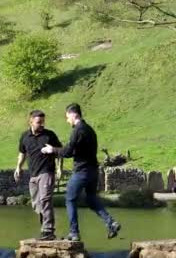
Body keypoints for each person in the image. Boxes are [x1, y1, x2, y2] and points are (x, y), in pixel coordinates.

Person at [41, 103, 121, 241]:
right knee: (90, 199)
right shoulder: (90, 130)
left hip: (82, 171)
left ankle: (74, 232)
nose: (67, 121)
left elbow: (68, 152)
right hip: (93, 171)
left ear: (73, 114)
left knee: (70, 200)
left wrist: (52, 150)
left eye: (67, 117)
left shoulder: (78, 130)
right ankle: (111, 223)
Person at [15, 110, 63, 240]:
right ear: (31, 122)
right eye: (39, 122)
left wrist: (59, 168)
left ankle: (48, 230)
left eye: (43, 122)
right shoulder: (25, 136)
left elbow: (60, 151)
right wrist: (18, 167)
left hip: (47, 172)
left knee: (45, 200)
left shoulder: (49, 135)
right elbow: (22, 153)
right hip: (33, 175)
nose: (42, 124)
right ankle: (45, 229)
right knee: (37, 204)